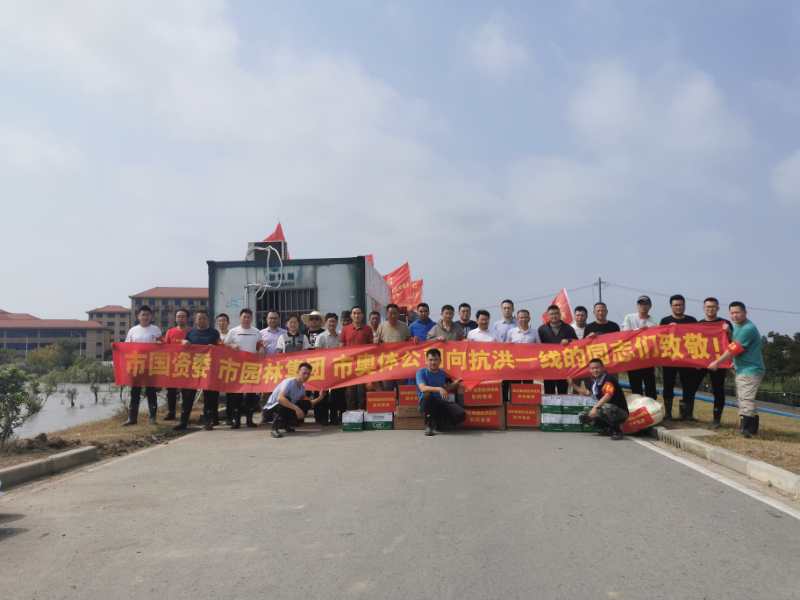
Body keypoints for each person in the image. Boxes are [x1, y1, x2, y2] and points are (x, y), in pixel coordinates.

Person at [708, 302, 765, 437]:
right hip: (743, 368)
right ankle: (751, 428)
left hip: (750, 370)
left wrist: (717, 362)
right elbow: (736, 345)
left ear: (745, 312)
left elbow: (733, 349)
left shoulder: (748, 328)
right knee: (744, 398)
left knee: (745, 399)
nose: (735, 315)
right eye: (732, 313)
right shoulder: (738, 327)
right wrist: (729, 332)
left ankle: (746, 429)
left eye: (737, 312)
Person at [175, 310, 221, 431]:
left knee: (209, 397)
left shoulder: (214, 333)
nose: (201, 320)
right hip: (193, 369)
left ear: (208, 320)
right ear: (195, 320)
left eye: (204, 318)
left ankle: (208, 421)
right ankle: (183, 422)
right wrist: (184, 342)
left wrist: (214, 348)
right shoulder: (190, 333)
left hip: (208, 369)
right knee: (187, 396)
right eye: (199, 318)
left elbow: (221, 348)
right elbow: (184, 346)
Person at [695, 297, 732, 428]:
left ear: (718, 308)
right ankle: (687, 415)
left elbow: (732, 342)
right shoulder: (699, 324)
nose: (710, 309)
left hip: (719, 362)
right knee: (691, 386)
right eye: (708, 307)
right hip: (702, 362)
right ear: (704, 308)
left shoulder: (725, 323)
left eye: (713, 307)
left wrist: (728, 331)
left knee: (718, 390)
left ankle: (716, 419)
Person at [660, 294, 698, 420]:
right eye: (675, 305)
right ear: (671, 306)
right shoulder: (665, 321)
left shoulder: (692, 320)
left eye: (681, 305)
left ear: (684, 305)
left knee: (688, 386)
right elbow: (659, 338)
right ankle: (668, 413)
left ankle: (687, 414)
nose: (678, 307)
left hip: (686, 359)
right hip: (669, 359)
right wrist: (669, 329)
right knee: (668, 385)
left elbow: (699, 337)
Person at [224, 308, 263, 428]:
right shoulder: (233, 331)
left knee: (251, 395)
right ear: (240, 318)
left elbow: (260, 345)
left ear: (251, 319)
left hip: (251, 367)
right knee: (237, 395)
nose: (246, 319)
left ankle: (249, 420)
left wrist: (261, 350)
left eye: (248, 317)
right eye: (244, 317)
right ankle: (236, 420)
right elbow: (225, 345)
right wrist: (232, 345)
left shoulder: (256, 331)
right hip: (237, 367)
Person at [123, 306, 162, 426]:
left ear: (151, 317)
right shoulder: (133, 330)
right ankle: (132, 418)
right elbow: (126, 346)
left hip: (150, 365)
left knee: (151, 392)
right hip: (136, 365)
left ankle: (152, 418)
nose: (145, 317)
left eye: (147, 315)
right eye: (143, 314)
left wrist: (160, 343)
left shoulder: (155, 329)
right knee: (135, 392)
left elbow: (162, 345)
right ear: (138, 316)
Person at [264, 362, 325, 438]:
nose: (306, 376)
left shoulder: (302, 388)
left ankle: (286, 425)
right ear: (298, 372)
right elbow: (280, 399)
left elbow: (309, 403)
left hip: (282, 409)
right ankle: (274, 429)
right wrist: (297, 409)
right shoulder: (289, 382)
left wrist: (320, 398)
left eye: (308, 374)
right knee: (286, 399)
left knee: (304, 403)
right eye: (304, 373)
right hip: (270, 410)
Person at [416, 348, 465, 436]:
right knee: (428, 396)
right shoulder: (421, 372)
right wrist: (439, 389)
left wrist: (455, 383)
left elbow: (446, 388)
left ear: (440, 361)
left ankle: (439, 422)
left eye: (436, 360)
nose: (433, 362)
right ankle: (429, 426)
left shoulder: (442, 373)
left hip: (440, 402)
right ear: (426, 361)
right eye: (430, 360)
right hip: (426, 403)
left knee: (461, 414)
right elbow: (422, 388)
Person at [578, 359, 629, 440]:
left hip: (620, 412)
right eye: (592, 368)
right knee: (583, 416)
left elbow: (608, 395)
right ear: (589, 370)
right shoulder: (594, 381)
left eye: (597, 368)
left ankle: (617, 431)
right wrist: (572, 385)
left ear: (602, 368)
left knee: (605, 408)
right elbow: (588, 393)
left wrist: (595, 408)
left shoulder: (609, 379)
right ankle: (606, 429)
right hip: (605, 409)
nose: (595, 370)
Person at [621, 295, 658, 401]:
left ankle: (651, 408)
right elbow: (625, 334)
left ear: (650, 306)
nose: (643, 306)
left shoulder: (654, 322)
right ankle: (638, 409)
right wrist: (639, 330)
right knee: (636, 388)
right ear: (637, 305)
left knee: (650, 388)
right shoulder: (629, 317)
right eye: (641, 304)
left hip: (648, 360)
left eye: (646, 304)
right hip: (633, 359)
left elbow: (657, 339)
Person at [537, 305, 578, 394]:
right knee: (549, 392)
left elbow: (577, 343)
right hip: (548, 365)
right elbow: (537, 347)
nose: (554, 316)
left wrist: (568, 340)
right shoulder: (542, 329)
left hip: (563, 365)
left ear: (560, 314)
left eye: (556, 313)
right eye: (551, 314)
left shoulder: (568, 328)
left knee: (562, 391)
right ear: (548, 316)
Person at [340, 306, 373, 410]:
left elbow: (371, 347)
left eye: (358, 313)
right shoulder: (345, 329)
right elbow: (341, 347)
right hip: (349, 365)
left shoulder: (368, 329)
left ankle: (362, 413)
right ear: (351, 315)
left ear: (362, 315)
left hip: (363, 365)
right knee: (350, 392)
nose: (356, 315)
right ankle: (351, 415)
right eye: (354, 313)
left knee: (362, 392)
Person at [315, 313, 344, 424]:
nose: (332, 324)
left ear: (337, 323)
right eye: (330, 321)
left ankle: (334, 417)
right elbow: (317, 354)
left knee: (337, 394)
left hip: (337, 370)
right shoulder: (321, 337)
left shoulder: (340, 336)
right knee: (324, 394)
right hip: (325, 370)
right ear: (325, 323)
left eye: (334, 321)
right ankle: (323, 418)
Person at [162, 308, 190, 421]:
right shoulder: (170, 331)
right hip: (172, 365)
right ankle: (171, 412)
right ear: (175, 318)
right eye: (178, 316)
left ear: (187, 318)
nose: (180, 318)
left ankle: (184, 413)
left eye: (183, 316)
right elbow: (165, 347)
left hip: (187, 365)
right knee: (171, 391)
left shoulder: (191, 332)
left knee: (186, 392)